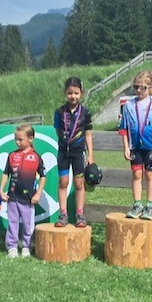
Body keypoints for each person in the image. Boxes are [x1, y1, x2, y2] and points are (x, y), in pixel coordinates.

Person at [119, 71, 152, 220]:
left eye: (143, 87)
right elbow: (124, 129)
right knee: (136, 174)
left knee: (150, 174)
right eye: (136, 87)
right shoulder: (128, 106)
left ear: (150, 87)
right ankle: (137, 204)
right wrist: (126, 148)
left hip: (150, 146)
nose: (139, 90)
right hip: (135, 146)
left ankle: (150, 205)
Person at [0, 124, 47, 258]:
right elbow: (6, 174)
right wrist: (1, 190)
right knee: (12, 223)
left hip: (28, 198)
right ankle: (12, 247)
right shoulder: (12, 155)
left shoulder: (36, 157)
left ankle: (26, 246)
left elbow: (43, 176)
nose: (17, 142)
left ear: (30, 139)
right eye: (16, 139)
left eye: (20, 139)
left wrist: (38, 193)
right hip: (13, 196)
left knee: (28, 224)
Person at [53, 76, 94, 228]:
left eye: (76, 93)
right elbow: (58, 130)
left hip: (78, 153)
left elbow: (88, 134)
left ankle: (80, 214)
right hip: (63, 153)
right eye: (70, 93)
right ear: (65, 93)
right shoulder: (59, 112)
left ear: (81, 93)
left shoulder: (85, 112)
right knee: (63, 182)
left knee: (79, 183)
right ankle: (63, 213)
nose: (73, 96)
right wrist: (65, 141)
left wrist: (90, 155)